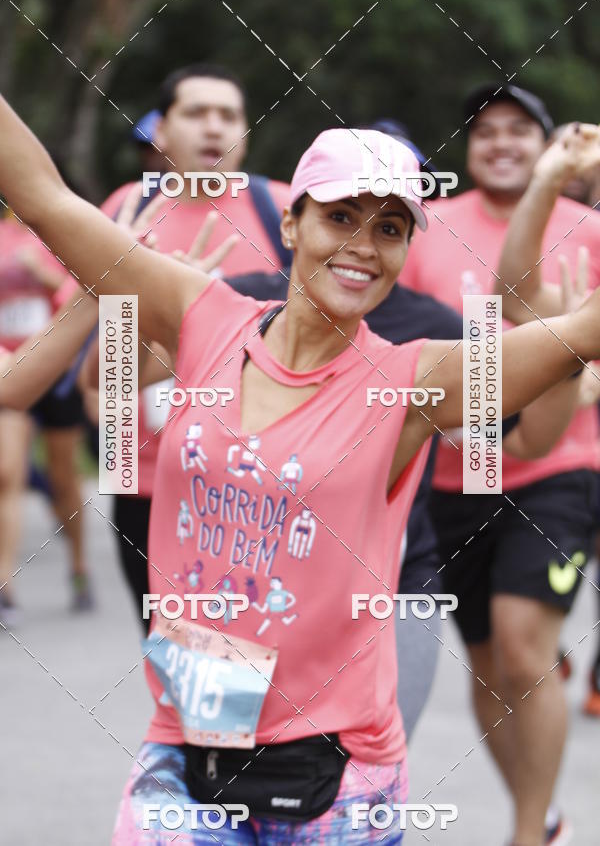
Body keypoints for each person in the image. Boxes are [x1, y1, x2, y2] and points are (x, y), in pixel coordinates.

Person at [3, 98, 600, 844]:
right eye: (341, 216)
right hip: (189, 739)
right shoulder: (202, 314)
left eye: (389, 227)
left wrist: (552, 190)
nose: (362, 245)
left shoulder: (413, 379)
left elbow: (573, 344)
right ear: (292, 223)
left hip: (338, 773)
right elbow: (43, 197)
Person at [401, 84, 600, 846]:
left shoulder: (586, 228)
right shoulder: (422, 231)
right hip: (453, 480)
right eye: (485, 133)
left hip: (556, 470)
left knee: (522, 649)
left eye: (521, 131)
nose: (502, 144)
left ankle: (526, 835)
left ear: (551, 146)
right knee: (489, 666)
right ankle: (543, 814)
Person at [98, 64, 290, 634]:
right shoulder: (126, 211)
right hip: (154, 487)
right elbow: (104, 365)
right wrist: (117, 461)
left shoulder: (283, 210)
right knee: (178, 659)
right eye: (196, 113)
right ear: (161, 131)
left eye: (228, 116)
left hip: (266, 486)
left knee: (270, 658)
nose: (214, 127)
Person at [495, 122, 600, 723]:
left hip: (564, 468)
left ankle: (536, 822)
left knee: (521, 648)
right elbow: (513, 298)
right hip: (481, 468)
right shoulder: (436, 219)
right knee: (500, 658)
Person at [0, 280, 98, 624]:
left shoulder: (57, 229)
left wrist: (39, 272)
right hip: (8, 369)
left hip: (57, 369)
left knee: (62, 476)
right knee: (7, 473)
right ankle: (5, 586)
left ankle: (79, 565)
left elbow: (79, 294)